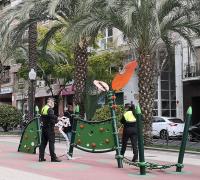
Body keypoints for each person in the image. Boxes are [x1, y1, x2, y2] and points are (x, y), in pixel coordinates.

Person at [39, 97, 61, 162]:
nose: (54, 104)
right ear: (50, 102)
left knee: (43, 143)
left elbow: (43, 117)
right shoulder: (50, 109)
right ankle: (53, 158)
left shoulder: (43, 108)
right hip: (49, 128)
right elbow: (51, 117)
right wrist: (57, 119)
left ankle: (41, 157)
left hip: (44, 128)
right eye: (53, 102)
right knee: (51, 143)